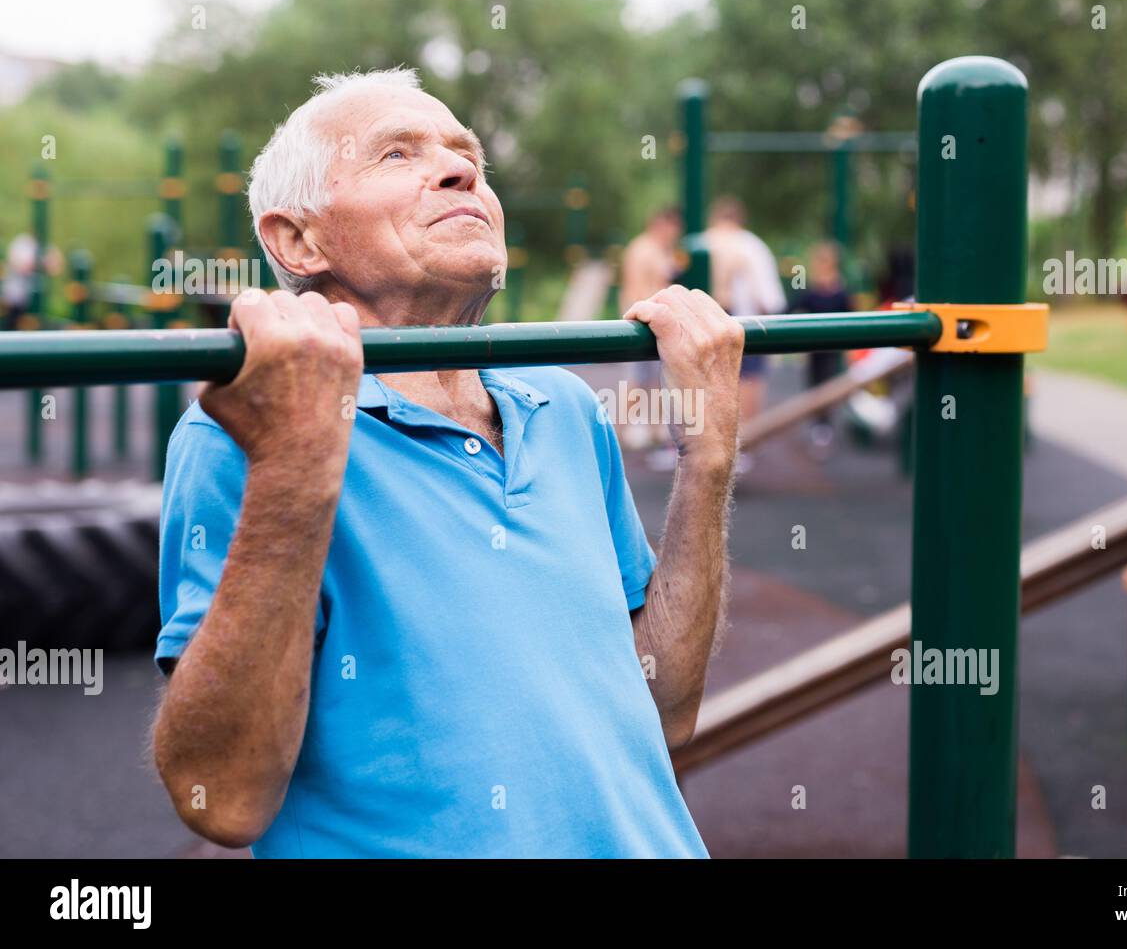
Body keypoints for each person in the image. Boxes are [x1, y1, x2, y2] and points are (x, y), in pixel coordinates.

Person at [150, 69, 744, 859]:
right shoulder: (235, 436)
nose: (462, 169)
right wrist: (295, 461)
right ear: (298, 240)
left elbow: (662, 709)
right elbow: (219, 799)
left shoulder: (562, 406)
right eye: (396, 154)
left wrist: (708, 458)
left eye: (469, 155)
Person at [704, 197, 786, 469]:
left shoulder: (701, 242)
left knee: (704, 381)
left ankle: (705, 446)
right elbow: (769, 298)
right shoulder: (752, 246)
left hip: (705, 321)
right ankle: (743, 445)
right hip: (746, 322)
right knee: (749, 379)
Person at [617, 206, 682, 450]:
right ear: (663, 225)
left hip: (652, 320)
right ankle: (617, 432)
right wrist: (641, 321)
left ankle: (656, 433)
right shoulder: (642, 249)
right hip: (642, 322)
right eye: (674, 228)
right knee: (637, 380)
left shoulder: (659, 251)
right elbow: (635, 288)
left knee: (655, 381)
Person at [789, 241, 853, 450]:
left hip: (832, 349)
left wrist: (851, 351)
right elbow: (789, 308)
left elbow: (851, 318)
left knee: (828, 383)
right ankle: (819, 425)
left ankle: (825, 426)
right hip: (815, 349)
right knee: (814, 383)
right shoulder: (811, 292)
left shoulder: (841, 292)